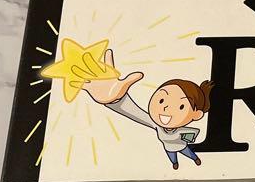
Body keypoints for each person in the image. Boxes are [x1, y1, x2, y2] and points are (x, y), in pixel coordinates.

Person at [79, 49, 211, 169]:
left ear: (196, 115)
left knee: (188, 153)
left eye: (181, 106)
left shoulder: (183, 130)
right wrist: (116, 99)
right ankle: (175, 163)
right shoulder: (157, 125)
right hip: (168, 147)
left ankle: (195, 159)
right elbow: (135, 112)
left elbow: (193, 134)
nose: (165, 108)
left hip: (182, 146)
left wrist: (186, 138)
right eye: (161, 100)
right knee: (172, 156)